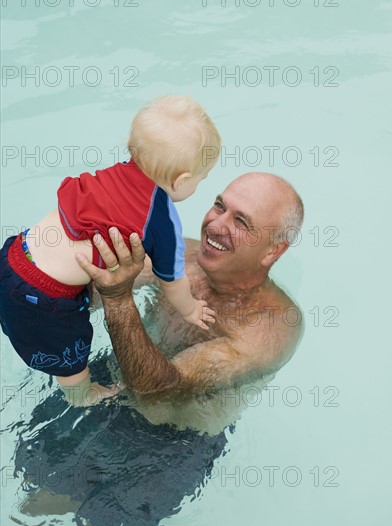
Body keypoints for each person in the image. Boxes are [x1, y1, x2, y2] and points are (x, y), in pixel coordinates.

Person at [0, 96, 221, 406]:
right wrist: (190, 309)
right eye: (202, 179)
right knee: (69, 359)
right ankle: (83, 397)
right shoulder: (160, 218)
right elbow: (172, 279)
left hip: (14, 255)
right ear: (181, 180)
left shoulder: (111, 176)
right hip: (46, 297)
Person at [75, 172, 304, 404]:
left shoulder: (271, 325)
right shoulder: (181, 255)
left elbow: (158, 390)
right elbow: (85, 292)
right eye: (219, 206)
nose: (215, 226)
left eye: (240, 222)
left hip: (172, 434)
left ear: (272, 251)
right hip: (110, 369)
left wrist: (118, 299)